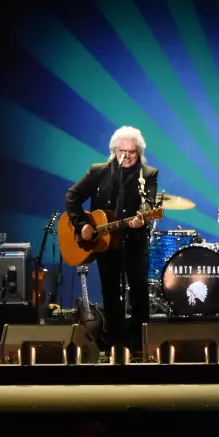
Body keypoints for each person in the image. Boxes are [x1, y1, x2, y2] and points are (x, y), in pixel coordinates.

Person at [65, 126, 159, 357]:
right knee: (110, 293)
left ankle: (139, 345)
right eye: (121, 152)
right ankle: (115, 345)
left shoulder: (148, 173)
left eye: (131, 152)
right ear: (114, 151)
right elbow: (72, 196)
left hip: (135, 242)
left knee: (139, 292)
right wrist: (81, 225)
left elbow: (148, 203)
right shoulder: (98, 172)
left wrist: (142, 217)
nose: (126, 156)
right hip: (106, 244)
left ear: (139, 152)